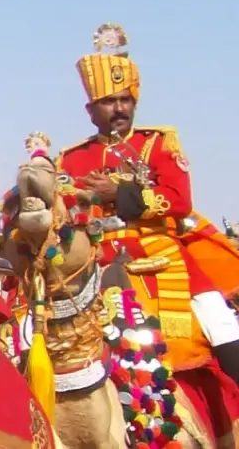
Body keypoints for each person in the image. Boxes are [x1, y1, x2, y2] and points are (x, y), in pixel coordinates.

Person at [57, 23, 239, 383]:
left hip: (161, 251)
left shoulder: (157, 143)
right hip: (97, 257)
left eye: (125, 100)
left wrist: (117, 194)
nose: (119, 108)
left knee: (216, 318)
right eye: (109, 101)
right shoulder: (72, 159)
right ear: (90, 110)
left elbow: (179, 200)